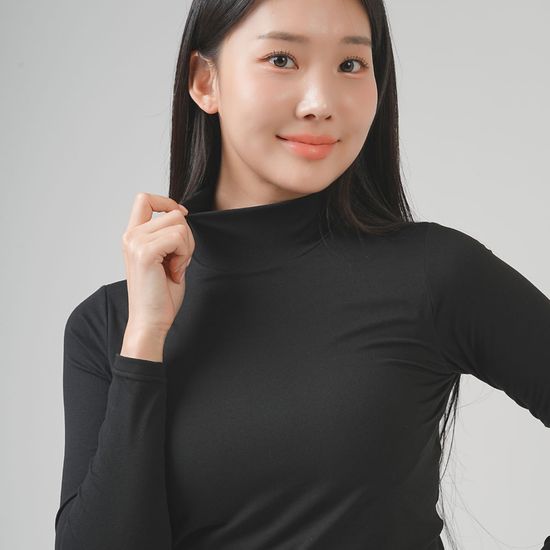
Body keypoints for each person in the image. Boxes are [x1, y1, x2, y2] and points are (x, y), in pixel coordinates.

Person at [54, 0, 550, 549]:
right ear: (204, 81)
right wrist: (144, 341)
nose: (321, 104)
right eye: (282, 59)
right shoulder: (109, 325)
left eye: (350, 65)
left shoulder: (435, 274)